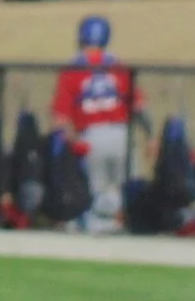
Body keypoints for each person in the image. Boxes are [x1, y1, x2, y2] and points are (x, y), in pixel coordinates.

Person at [49, 15, 142, 231]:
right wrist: (150, 134)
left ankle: (99, 237)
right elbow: (139, 107)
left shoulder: (73, 68)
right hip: (122, 135)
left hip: (91, 137)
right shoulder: (117, 66)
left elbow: (60, 118)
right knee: (127, 189)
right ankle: (128, 233)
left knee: (96, 194)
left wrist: (71, 144)